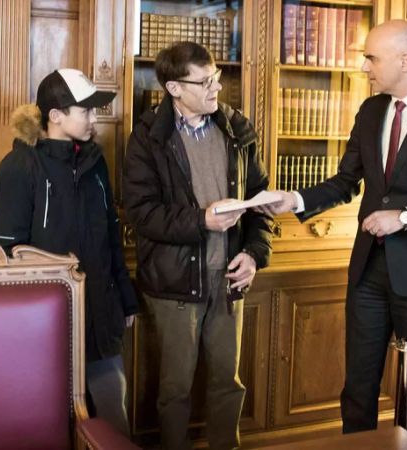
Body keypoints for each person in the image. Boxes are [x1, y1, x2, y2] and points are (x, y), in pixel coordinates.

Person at [260, 20, 407, 447]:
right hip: (369, 270)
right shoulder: (371, 111)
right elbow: (346, 181)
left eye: (371, 58)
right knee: (357, 386)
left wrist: (403, 217)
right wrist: (295, 199)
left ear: (405, 60)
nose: (365, 66)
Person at [122, 41, 273, 450]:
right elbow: (142, 213)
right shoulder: (147, 137)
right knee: (175, 391)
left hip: (229, 280)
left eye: (216, 79)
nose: (215, 89)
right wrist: (201, 220)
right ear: (174, 88)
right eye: (204, 82)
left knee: (229, 384)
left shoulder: (236, 127)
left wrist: (254, 255)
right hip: (174, 285)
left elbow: (259, 202)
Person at [0, 68, 138, 436]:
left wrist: (127, 299)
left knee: (112, 419)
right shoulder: (19, 166)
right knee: (50, 426)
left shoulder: (96, 162)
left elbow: (110, 237)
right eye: (85, 111)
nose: (93, 118)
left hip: (102, 315)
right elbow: (6, 252)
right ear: (55, 115)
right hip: (44, 324)